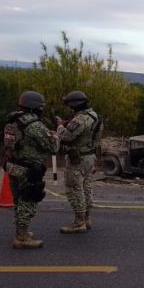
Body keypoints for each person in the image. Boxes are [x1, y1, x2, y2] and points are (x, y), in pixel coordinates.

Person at [3, 91, 58, 249]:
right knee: (29, 200)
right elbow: (52, 147)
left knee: (18, 200)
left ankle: (22, 231)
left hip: (12, 166)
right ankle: (21, 238)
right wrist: (56, 136)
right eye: (41, 106)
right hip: (28, 169)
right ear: (34, 107)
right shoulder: (34, 125)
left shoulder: (12, 120)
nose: (42, 109)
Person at [56, 91, 102, 234]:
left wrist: (59, 126)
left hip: (78, 159)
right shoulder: (94, 116)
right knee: (86, 188)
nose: (69, 107)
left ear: (75, 104)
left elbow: (66, 136)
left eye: (70, 104)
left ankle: (78, 222)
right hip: (90, 157)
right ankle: (87, 219)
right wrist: (68, 124)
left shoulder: (80, 119)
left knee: (74, 189)